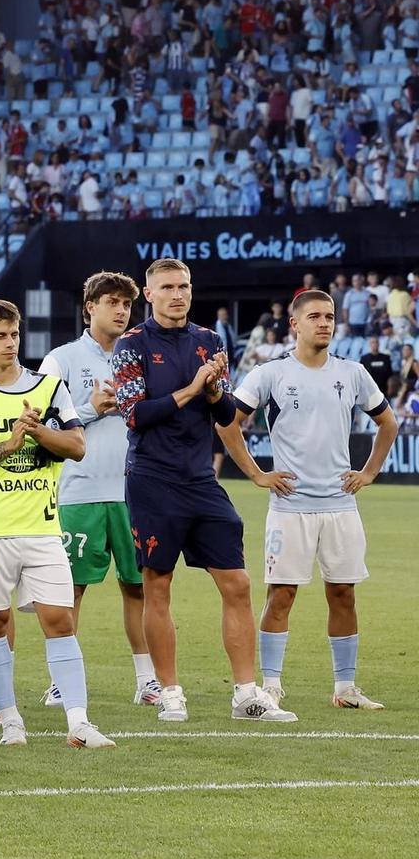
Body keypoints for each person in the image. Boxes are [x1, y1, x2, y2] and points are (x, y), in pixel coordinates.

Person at [112, 258, 294, 725]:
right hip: (153, 479)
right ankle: (170, 692)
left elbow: (227, 415)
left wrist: (213, 391)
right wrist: (194, 388)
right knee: (158, 584)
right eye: (168, 287)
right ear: (148, 294)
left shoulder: (209, 341)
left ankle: (247, 694)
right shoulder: (132, 344)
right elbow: (135, 414)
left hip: (200, 480)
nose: (178, 294)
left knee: (237, 582)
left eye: (185, 286)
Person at [219, 289, 397, 710]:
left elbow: (387, 423)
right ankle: (272, 684)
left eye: (330, 316)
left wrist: (370, 471)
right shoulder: (269, 374)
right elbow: (228, 422)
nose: (325, 322)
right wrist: (257, 473)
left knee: (344, 594)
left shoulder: (352, 373)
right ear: (294, 324)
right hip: (290, 506)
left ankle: (345, 688)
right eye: (315, 316)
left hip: (340, 505)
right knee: (281, 595)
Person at [0, 300, 112, 749]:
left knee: (59, 620)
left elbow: (77, 446)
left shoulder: (49, 388)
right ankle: (10, 720)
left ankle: (78, 721)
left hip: (42, 528)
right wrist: (11, 442)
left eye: (14, 334)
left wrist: (39, 433)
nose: (9, 343)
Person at [38, 272, 161, 708]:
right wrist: (90, 408)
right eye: (112, 302)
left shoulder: (144, 355)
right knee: (69, 590)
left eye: (127, 304)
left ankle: (148, 679)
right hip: (78, 493)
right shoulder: (62, 359)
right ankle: (61, 678)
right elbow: (44, 426)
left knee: (139, 587)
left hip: (136, 492)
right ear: (89, 306)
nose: (121, 310)